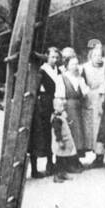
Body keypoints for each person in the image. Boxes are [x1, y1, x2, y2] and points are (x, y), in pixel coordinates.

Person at [31, 46, 60, 177]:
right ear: (46, 57)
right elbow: (36, 88)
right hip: (44, 104)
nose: (54, 59)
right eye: (52, 57)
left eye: (56, 57)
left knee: (55, 132)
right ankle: (37, 167)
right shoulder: (42, 71)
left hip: (56, 102)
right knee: (43, 134)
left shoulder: (58, 70)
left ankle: (52, 162)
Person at [82, 40, 105, 167]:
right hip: (89, 98)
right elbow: (81, 83)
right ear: (90, 56)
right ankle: (89, 151)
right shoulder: (85, 68)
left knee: (99, 127)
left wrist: (102, 96)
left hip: (101, 98)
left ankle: (100, 156)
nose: (98, 58)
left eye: (100, 55)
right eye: (95, 55)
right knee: (89, 128)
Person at [60, 50, 88, 163]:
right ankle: (70, 160)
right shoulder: (62, 78)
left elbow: (85, 92)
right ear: (67, 66)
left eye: (77, 64)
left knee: (79, 132)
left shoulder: (79, 79)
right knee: (70, 132)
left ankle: (76, 159)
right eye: (73, 64)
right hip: (69, 108)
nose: (75, 67)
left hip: (79, 107)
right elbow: (60, 96)